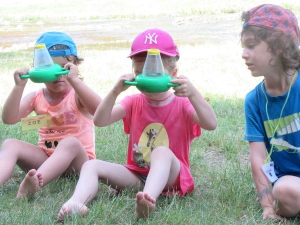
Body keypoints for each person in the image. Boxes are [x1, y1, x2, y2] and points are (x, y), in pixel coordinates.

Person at [58, 28, 217, 221]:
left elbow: (211, 123)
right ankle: (77, 201)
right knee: (92, 166)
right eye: (140, 73)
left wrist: (193, 94)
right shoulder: (134, 101)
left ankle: (147, 200)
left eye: (154, 73)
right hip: (137, 175)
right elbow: (100, 121)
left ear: (173, 74)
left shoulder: (182, 103)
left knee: (161, 151)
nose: (146, 79)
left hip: (171, 178)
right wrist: (115, 91)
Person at [0, 31, 101, 198]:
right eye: (50, 67)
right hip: (46, 160)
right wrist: (18, 87)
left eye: (64, 68)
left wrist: (75, 82)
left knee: (70, 143)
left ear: (75, 67)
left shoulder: (77, 94)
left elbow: (100, 111)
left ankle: (36, 183)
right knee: (11, 144)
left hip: (78, 165)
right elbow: (9, 119)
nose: (58, 75)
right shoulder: (36, 97)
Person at [241, 4, 300, 221]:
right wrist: (267, 205)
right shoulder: (254, 101)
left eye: (251, 45)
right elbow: (258, 156)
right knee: (284, 192)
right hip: (292, 182)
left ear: (278, 46)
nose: (243, 54)